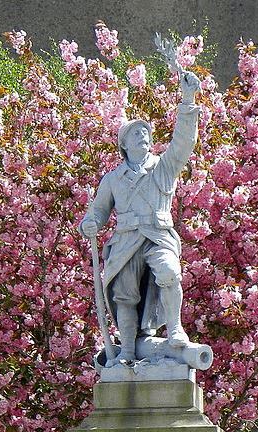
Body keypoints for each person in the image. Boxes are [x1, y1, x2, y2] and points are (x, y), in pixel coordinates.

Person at [80, 69, 201, 365]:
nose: (143, 135)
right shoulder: (112, 179)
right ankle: (129, 352)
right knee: (125, 296)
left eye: (145, 131)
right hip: (126, 241)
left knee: (170, 272)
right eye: (136, 132)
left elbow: (183, 143)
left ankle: (174, 329)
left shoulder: (163, 166)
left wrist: (187, 101)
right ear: (124, 144)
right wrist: (89, 224)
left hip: (158, 235)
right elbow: (97, 211)